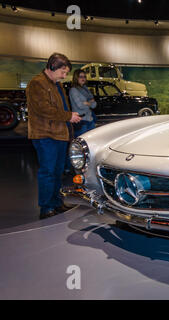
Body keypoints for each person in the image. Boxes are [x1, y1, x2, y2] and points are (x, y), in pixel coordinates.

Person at [26, 53, 82, 219]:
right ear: (52, 67)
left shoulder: (56, 84)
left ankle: (57, 203)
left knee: (57, 172)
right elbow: (44, 109)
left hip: (59, 135)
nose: (64, 76)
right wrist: (68, 116)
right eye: (62, 72)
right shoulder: (37, 83)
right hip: (45, 136)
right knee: (48, 172)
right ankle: (46, 208)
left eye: (66, 73)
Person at [69, 69, 97, 137]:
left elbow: (94, 105)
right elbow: (80, 106)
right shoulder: (73, 90)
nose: (83, 78)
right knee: (81, 144)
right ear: (76, 78)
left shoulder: (86, 89)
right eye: (80, 77)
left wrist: (86, 103)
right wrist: (89, 103)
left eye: (84, 76)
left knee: (92, 142)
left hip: (90, 120)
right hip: (81, 121)